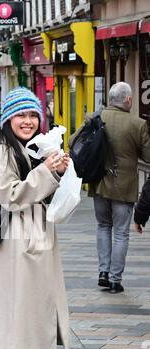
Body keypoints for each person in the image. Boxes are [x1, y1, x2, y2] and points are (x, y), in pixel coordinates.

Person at [0, 87, 70, 349]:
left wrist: (58, 172)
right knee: (18, 316)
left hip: (23, 242)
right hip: (18, 244)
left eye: (33, 114)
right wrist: (47, 171)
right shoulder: (5, 152)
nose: (28, 120)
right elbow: (10, 195)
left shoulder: (22, 148)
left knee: (10, 313)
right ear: (8, 118)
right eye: (21, 115)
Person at [69, 82, 150, 294]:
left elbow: (71, 141)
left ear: (111, 98)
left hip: (99, 185)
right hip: (124, 188)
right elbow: (148, 156)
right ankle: (115, 280)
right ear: (128, 100)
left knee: (103, 226)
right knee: (121, 234)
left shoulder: (94, 118)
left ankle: (103, 272)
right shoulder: (137, 123)